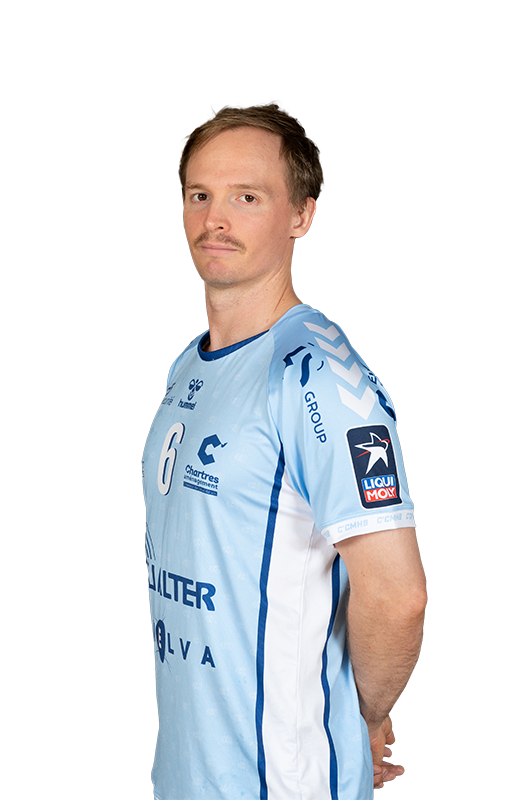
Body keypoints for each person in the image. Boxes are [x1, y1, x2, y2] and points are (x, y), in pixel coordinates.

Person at [142, 101, 427, 800]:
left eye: (247, 197)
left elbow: (398, 596)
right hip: (184, 779)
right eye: (200, 195)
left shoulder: (318, 376)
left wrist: (362, 716)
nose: (215, 219)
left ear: (301, 215)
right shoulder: (189, 365)